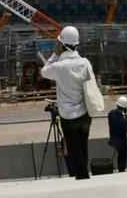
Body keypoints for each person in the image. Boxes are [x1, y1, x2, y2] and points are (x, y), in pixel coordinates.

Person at [40, 26, 93, 180]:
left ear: (61, 45)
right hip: (85, 115)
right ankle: (85, 176)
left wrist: (55, 55)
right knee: (83, 148)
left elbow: (44, 71)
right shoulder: (84, 63)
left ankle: (82, 180)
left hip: (69, 117)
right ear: (77, 44)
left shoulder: (58, 67)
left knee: (74, 151)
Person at [108, 96, 127, 172]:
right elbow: (125, 132)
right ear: (125, 108)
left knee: (120, 155)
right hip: (121, 141)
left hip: (113, 139)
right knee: (123, 156)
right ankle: (121, 170)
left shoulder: (110, 113)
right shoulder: (123, 121)